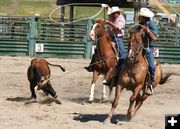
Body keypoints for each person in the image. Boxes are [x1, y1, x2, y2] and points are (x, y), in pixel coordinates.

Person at [84, 6, 127, 74]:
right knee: (98, 49)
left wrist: (108, 22)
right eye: (112, 13)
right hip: (109, 37)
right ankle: (91, 65)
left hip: (117, 38)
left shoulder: (121, 19)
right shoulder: (112, 17)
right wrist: (107, 7)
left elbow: (117, 27)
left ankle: (120, 67)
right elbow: (109, 11)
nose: (112, 15)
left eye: (113, 13)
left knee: (122, 54)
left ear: (117, 13)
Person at [139, 8, 158, 95]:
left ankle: (150, 83)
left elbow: (155, 38)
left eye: (141, 16)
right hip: (139, 47)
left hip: (148, 48)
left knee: (152, 66)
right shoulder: (140, 24)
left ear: (145, 17)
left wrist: (147, 30)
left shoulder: (152, 24)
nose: (140, 17)